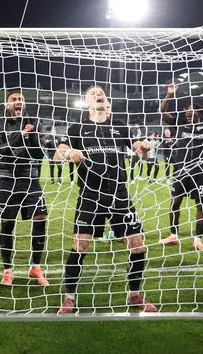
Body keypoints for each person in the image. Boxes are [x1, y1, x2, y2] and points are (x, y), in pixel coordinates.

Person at [55, 86, 156, 314]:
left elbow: (139, 151)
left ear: (107, 101)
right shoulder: (78, 128)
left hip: (119, 194)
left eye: (102, 93)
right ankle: (69, 297)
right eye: (93, 93)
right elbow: (57, 154)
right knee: (80, 246)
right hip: (90, 194)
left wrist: (145, 148)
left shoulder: (119, 126)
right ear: (87, 102)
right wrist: (69, 153)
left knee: (138, 246)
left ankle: (134, 295)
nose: (99, 94)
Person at [0, 89, 49, 287]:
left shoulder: (34, 121)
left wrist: (32, 138)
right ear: (7, 104)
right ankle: (7, 270)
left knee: (40, 218)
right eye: (13, 99)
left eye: (20, 99)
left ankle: (35, 267)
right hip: (7, 180)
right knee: (7, 223)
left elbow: (39, 153)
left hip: (31, 180)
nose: (17, 102)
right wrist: (21, 136)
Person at [158, 80, 203, 251]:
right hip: (180, 171)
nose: (189, 111)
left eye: (192, 109)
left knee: (200, 205)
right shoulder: (179, 125)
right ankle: (174, 235)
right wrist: (169, 94)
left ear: (199, 113)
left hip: (200, 172)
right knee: (175, 204)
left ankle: (198, 239)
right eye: (187, 109)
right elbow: (162, 111)